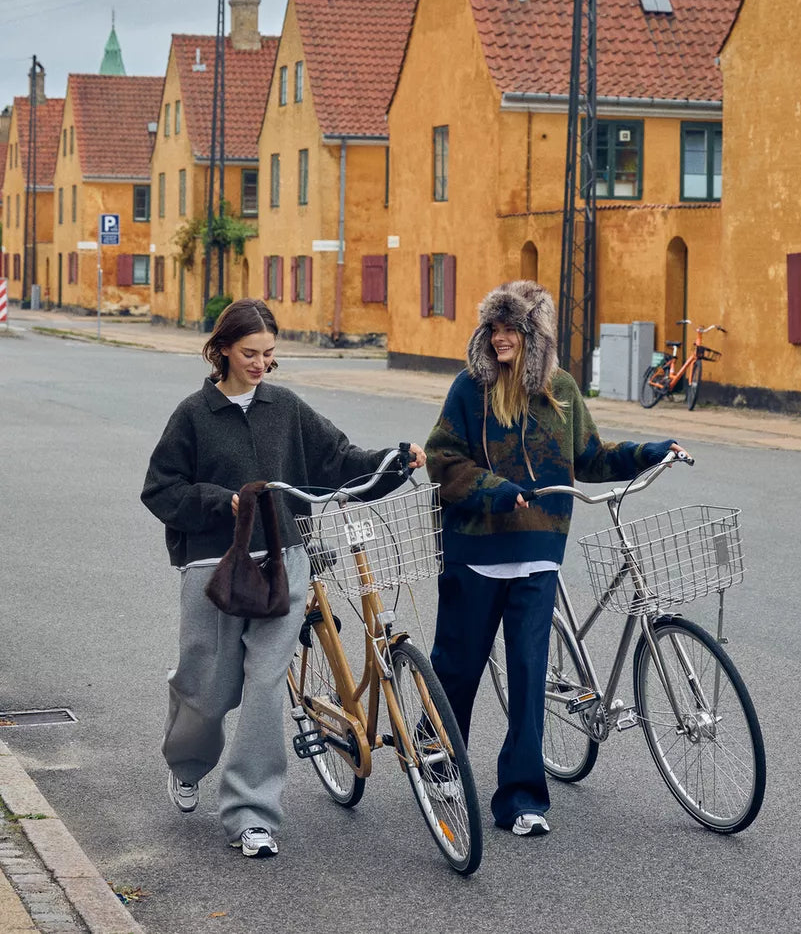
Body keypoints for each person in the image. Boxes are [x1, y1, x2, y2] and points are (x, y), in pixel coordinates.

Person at [141, 297, 425, 858]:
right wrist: (221, 502)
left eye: (269, 353)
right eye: (250, 353)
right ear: (223, 349)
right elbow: (161, 490)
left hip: (285, 561)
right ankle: (188, 763)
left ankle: (252, 814)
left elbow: (339, 460)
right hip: (214, 567)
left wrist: (394, 462)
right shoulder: (194, 414)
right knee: (210, 689)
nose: (261, 363)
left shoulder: (286, 407)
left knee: (268, 687)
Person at [425, 280, 683, 838]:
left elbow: (590, 457)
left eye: (510, 330)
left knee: (528, 678)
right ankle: (439, 758)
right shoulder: (470, 389)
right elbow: (442, 460)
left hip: (539, 554)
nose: (499, 339)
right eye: (493, 329)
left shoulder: (560, 390)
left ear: (533, 335)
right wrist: (493, 489)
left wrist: (650, 451)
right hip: (475, 553)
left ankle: (521, 799)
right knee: (458, 668)